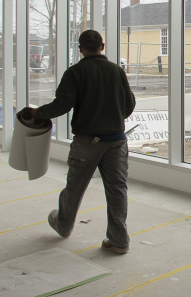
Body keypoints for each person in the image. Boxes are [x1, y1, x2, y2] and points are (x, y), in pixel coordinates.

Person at [20, 30, 136, 254]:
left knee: (75, 187)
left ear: (81, 48)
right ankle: (119, 241)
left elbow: (61, 106)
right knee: (117, 190)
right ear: (102, 46)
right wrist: (111, 117)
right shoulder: (117, 71)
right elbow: (129, 105)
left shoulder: (75, 72)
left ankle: (63, 225)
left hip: (87, 142)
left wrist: (37, 114)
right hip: (117, 141)